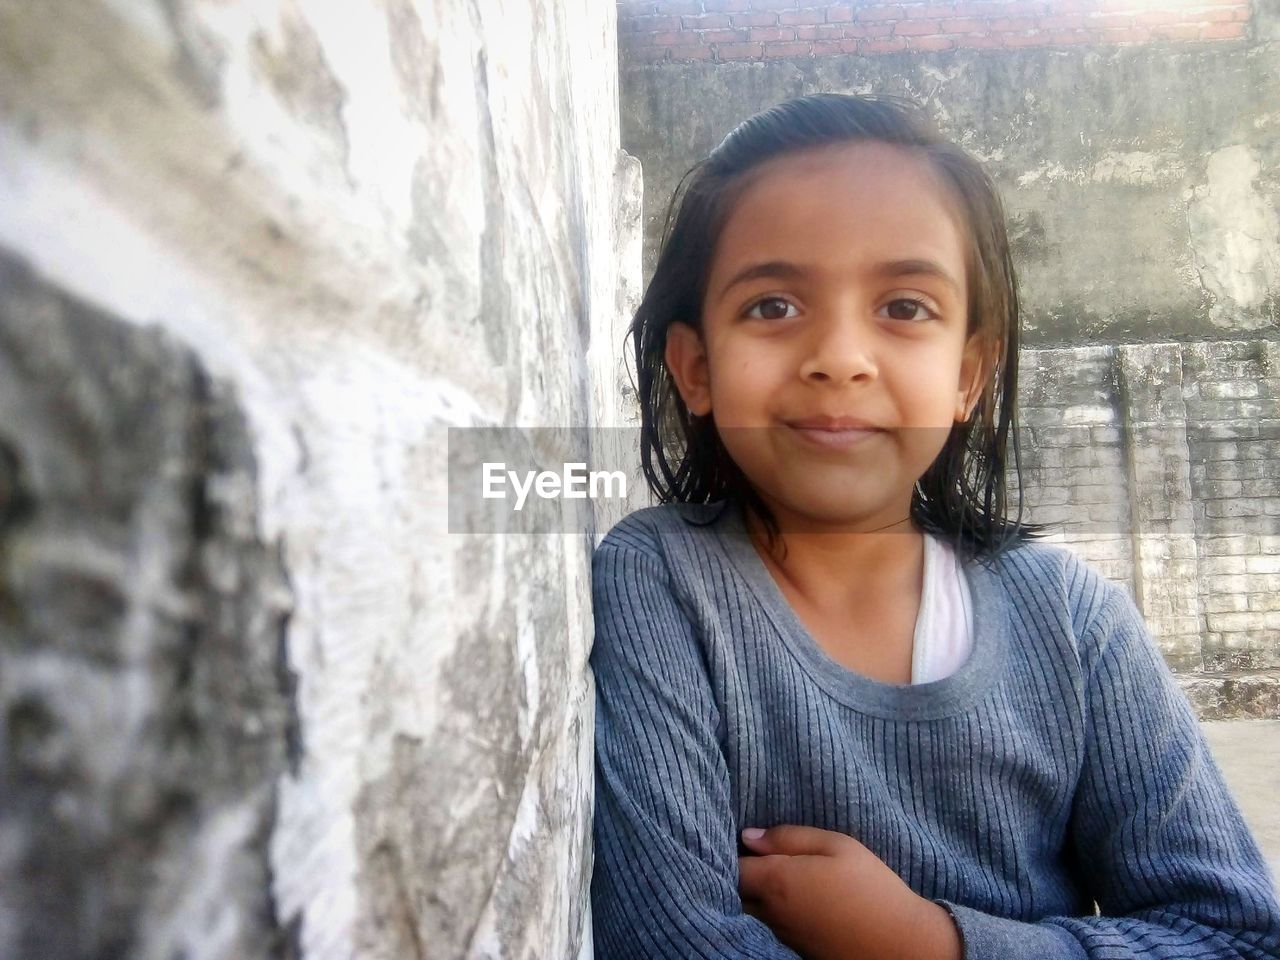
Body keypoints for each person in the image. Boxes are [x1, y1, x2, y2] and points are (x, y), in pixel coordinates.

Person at [588, 93, 1280, 960]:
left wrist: (928, 943)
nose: (840, 357)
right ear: (695, 369)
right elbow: (673, 941)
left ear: (967, 375)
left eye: (905, 307)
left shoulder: (1071, 623)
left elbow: (1234, 935)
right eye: (772, 306)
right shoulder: (660, 580)